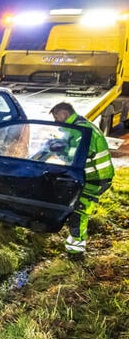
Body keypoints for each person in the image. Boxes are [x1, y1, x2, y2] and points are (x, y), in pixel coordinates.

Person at [49, 102, 115, 255]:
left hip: (96, 180)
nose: (55, 121)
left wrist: (59, 152)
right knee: (74, 209)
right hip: (90, 177)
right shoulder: (77, 127)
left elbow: (77, 157)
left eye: (56, 117)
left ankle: (76, 253)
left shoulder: (81, 130)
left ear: (64, 114)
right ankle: (74, 245)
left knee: (78, 213)